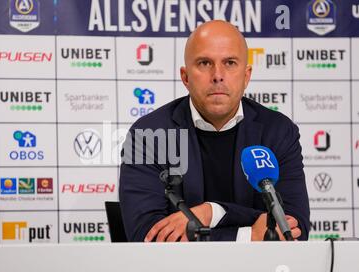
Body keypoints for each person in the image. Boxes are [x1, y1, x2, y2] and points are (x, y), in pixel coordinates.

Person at [119, 20, 310, 242]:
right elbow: (147, 235)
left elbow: (295, 229)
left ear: (246, 76)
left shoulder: (278, 131)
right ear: (186, 77)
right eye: (204, 63)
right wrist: (249, 233)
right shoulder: (147, 134)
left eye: (229, 62)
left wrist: (212, 212)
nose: (218, 75)